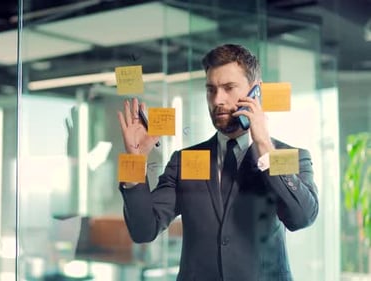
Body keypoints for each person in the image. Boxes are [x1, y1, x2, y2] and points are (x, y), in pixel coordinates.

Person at [116, 44, 319, 281]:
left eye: (229, 88)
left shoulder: (289, 156)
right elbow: (143, 230)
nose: (217, 100)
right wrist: (134, 160)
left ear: (257, 92)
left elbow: (302, 218)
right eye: (210, 90)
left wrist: (263, 144)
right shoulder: (184, 160)